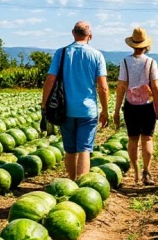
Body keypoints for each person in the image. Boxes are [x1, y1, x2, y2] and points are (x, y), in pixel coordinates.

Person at [41, 21, 109, 180]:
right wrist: (105, 110)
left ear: (73, 33)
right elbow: (103, 87)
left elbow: (50, 80)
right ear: (90, 36)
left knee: (70, 150)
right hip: (88, 111)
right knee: (84, 148)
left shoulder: (61, 53)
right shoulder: (96, 55)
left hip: (65, 109)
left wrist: (44, 104)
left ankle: (71, 182)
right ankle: (81, 186)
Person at [113, 27, 158, 186]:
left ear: (132, 45)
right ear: (146, 45)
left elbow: (121, 86)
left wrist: (116, 110)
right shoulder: (151, 62)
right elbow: (155, 87)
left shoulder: (125, 62)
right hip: (147, 105)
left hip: (130, 105)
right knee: (147, 138)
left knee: (132, 139)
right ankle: (147, 171)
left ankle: (135, 172)